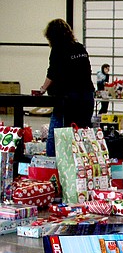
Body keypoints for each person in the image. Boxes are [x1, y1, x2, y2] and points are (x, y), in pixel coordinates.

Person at [36, 19, 95, 157]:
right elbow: (87, 70)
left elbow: (52, 72)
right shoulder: (80, 47)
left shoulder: (58, 49)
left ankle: (51, 164)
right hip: (87, 97)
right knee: (82, 132)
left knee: (56, 133)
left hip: (67, 98)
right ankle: (82, 161)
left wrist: (43, 89)